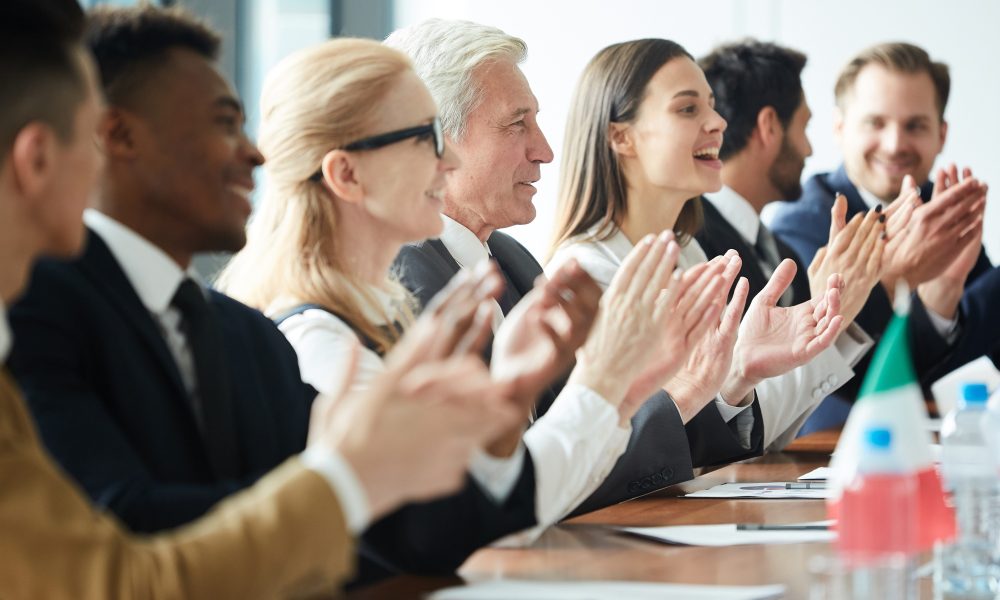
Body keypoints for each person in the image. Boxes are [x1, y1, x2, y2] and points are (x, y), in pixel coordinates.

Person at [0, 0, 522, 597]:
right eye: (224, 124)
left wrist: (495, 410)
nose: (254, 155)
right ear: (112, 136)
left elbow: (403, 532)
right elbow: (125, 541)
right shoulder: (31, 312)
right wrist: (351, 480)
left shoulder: (248, 336)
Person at [217, 36, 726, 565]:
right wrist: (604, 386)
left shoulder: (390, 307)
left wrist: (610, 392)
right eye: (424, 138)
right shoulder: (318, 340)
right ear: (346, 175)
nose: (448, 158)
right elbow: (468, 522)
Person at [386, 20, 765, 513]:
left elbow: (589, 451)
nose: (543, 151)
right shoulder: (400, 281)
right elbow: (514, 482)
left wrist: (698, 385)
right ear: (435, 137)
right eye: (516, 123)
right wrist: (677, 387)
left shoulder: (515, 261)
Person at [548, 38, 848, 452]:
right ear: (621, 137)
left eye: (711, 105)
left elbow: (713, 444)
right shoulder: (585, 273)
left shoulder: (690, 254)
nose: (718, 122)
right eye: (688, 109)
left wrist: (741, 375)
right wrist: (733, 374)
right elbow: (613, 459)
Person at [768, 42, 994, 429]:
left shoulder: (946, 215)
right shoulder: (801, 227)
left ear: (941, 135)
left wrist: (945, 291)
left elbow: (978, 360)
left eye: (915, 126)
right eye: (875, 123)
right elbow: (836, 373)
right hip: (824, 458)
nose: (894, 145)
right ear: (839, 129)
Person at [695, 40, 885, 436]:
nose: (809, 148)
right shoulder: (693, 244)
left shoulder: (777, 250)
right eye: (804, 126)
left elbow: (781, 429)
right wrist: (828, 309)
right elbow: (728, 424)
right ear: (769, 126)